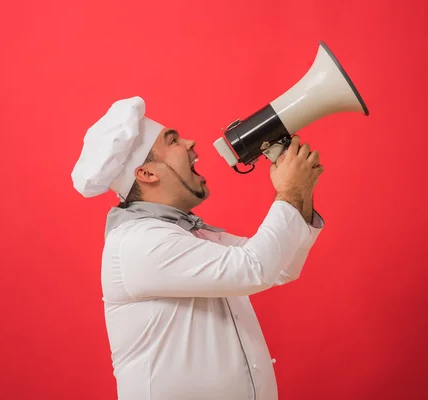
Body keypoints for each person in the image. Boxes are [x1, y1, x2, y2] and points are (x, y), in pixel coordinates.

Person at [71, 96, 325, 400]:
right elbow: (255, 269)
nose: (190, 143)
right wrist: (289, 191)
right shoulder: (138, 242)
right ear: (147, 174)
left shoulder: (187, 234)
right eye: (173, 140)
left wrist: (301, 193)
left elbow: (282, 268)